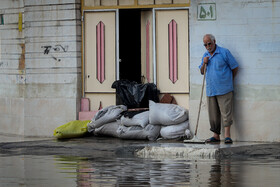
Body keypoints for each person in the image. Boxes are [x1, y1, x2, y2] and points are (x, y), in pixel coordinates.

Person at [199, 34, 239, 144]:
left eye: (209, 43)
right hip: (211, 89)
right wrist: (204, 63)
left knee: (226, 112)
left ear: (214, 41)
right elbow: (202, 71)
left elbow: (235, 67)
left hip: (224, 89)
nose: (208, 46)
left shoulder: (224, 52)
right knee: (213, 114)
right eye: (205, 45)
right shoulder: (205, 55)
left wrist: (229, 80)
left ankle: (227, 136)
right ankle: (216, 136)